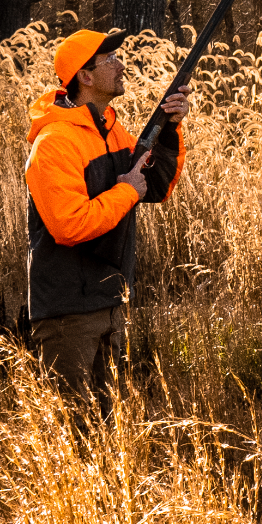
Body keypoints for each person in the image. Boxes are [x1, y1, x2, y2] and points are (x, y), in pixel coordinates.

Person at [23, 28, 191, 398]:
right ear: (84, 76)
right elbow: (70, 225)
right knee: (71, 429)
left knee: (107, 429)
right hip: (69, 310)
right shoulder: (55, 144)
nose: (120, 65)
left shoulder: (111, 133)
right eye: (110, 60)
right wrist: (126, 189)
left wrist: (170, 128)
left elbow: (156, 186)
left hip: (110, 301)